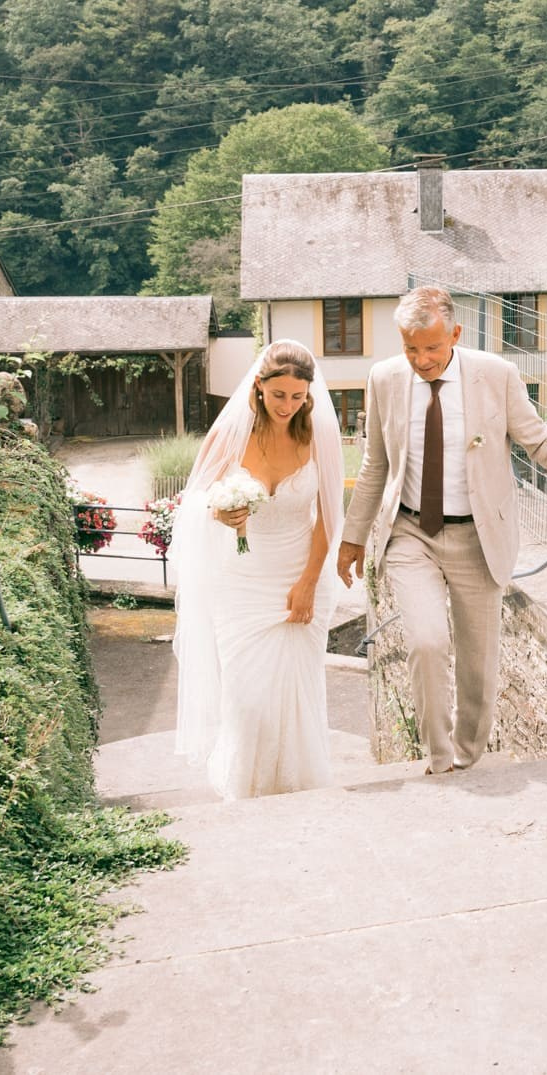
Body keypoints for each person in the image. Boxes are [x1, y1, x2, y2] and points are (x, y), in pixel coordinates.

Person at [337, 286, 547, 774]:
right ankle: (437, 759)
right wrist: (352, 540)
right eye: (411, 348)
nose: (421, 359)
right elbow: (375, 464)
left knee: (478, 664)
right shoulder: (384, 378)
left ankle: (467, 759)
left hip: (478, 537)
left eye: (432, 347)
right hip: (411, 534)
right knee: (427, 642)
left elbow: (540, 442)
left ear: (455, 333)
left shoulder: (496, 376)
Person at [171, 339, 346, 798]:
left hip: (303, 573)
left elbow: (330, 514)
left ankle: (300, 787)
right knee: (247, 696)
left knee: (296, 692)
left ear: (309, 394)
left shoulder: (319, 434)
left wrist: (309, 583)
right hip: (242, 582)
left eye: (298, 396)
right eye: (278, 394)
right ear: (258, 387)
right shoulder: (229, 436)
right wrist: (219, 513)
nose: (288, 405)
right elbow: (195, 498)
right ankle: (245, 790)